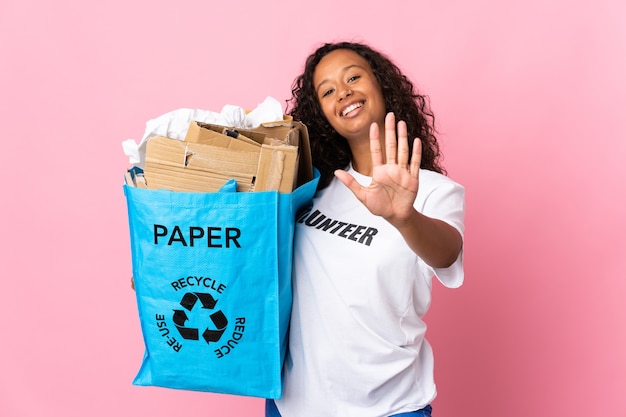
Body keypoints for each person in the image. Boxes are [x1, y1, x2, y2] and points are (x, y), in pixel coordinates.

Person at [265, 41, 465, 417]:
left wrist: (404, 217)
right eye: (327, 91)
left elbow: (447, 251)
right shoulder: (310, 189)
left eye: (353, 77)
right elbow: (259, 256)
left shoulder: (435, 191)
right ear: (322, 113)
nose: (343, 93)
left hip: (387, 408)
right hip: (291, 405)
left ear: (381, 85)